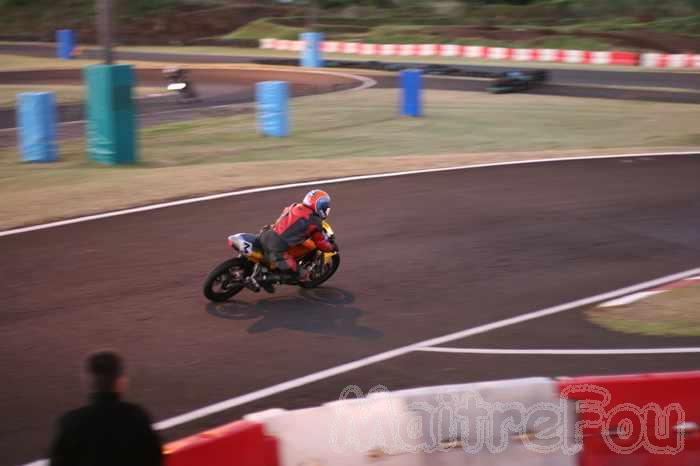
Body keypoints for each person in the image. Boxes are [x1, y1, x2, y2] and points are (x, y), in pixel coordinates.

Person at [49, 351, 162, 466]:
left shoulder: (71, 422)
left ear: (88, 382)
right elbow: (154, 458)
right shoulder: (137, 417)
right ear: (120, 382)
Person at [259, 189, 338, 288]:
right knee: (299, 274)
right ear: (319, 206)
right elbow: (320, 243)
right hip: (277, 247)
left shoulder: (295, 206)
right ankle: (266, 280)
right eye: (326, 207)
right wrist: (332, 247)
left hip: (266, 234)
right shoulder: (314, 221)